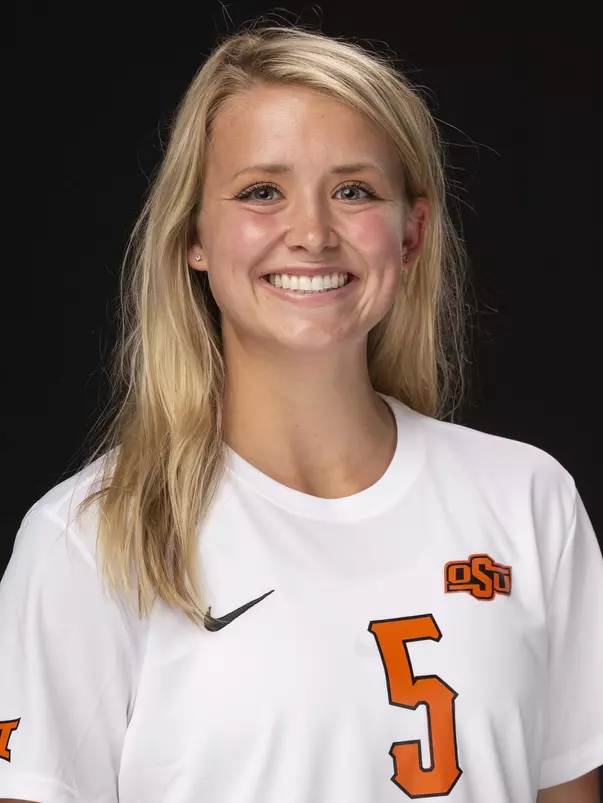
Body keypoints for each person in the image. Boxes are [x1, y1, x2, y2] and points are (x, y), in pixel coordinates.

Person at [0, 21, 601, 803]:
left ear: (411, 232)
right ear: (193, 236)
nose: (312, 233)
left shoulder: (527, 498)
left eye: (353, 191)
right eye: (261, 192)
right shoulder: (91, 538)